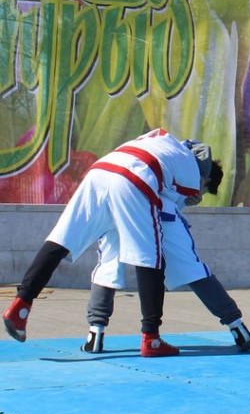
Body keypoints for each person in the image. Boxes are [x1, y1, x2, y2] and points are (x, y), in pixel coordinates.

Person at [3, 130, 220, 357]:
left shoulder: (161, 143)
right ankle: (151, 338)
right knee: (150, 254)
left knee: (62, 239)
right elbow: (170, 208)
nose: (201, 195)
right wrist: (192, 192)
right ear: (206, 177)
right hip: (135, 179)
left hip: (100, 171)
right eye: (205, 189)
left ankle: (21, 306)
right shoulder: (194, 167)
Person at [83, 171, 250, 353]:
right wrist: (191, 186)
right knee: (193, 269)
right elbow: (197, 153)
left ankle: (95, 332)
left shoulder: (141, 159)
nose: (199, 193)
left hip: (118, 208)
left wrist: (183, 198)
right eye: (204, 188)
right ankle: (237, 327)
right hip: (158, 212)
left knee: (108, 267)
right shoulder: (185, 155)